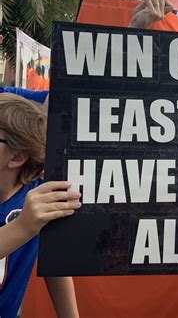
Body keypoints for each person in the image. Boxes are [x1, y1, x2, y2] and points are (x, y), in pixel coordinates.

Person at [0, 93, 81, 317]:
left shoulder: (38, 194)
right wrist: (23, 227)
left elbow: (54, 259)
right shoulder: (30, 213)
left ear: (16, 158)